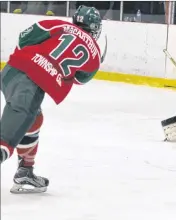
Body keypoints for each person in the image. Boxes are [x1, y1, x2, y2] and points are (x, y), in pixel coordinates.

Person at [0, 5, 103, 193]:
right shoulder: (95, 54)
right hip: (31, 84)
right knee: (5, 141)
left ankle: (25, 170)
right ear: (96, 28)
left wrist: (35, 60)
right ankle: (23, 168)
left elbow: (24, 38)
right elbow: (81, 79)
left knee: (34, 120)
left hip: (11, 71)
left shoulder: (57, 25)